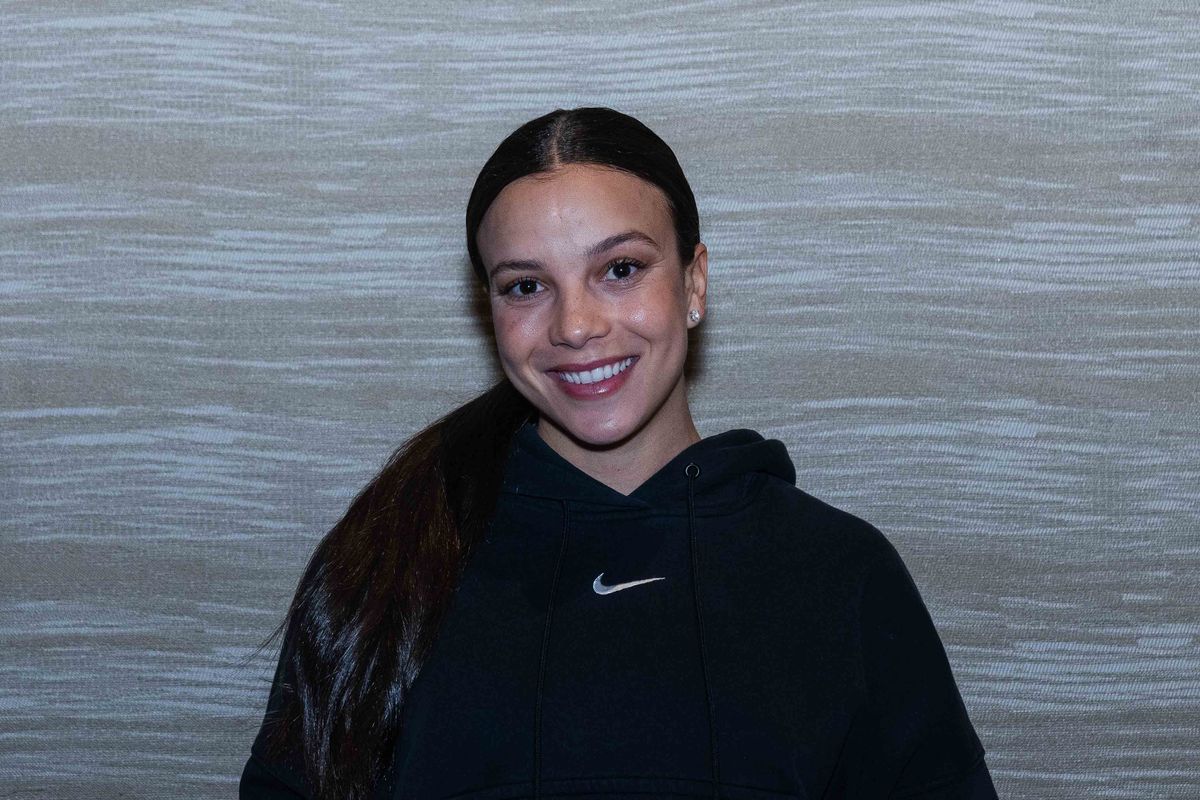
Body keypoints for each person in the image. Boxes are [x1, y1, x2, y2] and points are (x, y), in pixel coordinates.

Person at [239, 107, 998, 800]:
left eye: (621, 270)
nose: (575, 325)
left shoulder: (839, 573)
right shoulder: (383, 562)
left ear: (695, 283)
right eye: (527, 285)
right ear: (490, 312)